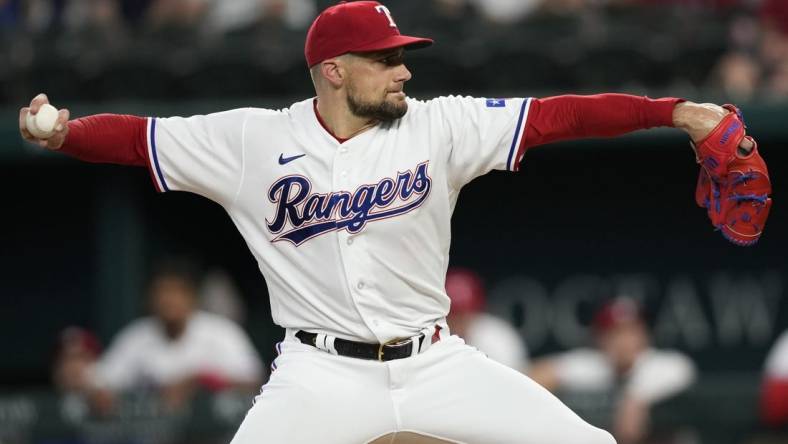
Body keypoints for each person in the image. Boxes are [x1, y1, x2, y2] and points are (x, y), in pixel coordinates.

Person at [18, 1, 756, 442]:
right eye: (386, 59)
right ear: (335, 69)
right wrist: (64, 133)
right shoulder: (252, 141)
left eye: (404, 56)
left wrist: (676, 114)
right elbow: (140, 137)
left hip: (436, 361)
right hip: (317, 373)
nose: (405, 70)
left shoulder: (439, 126)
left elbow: (562, 116)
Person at [88, 261, 264, 411]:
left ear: (193, 297)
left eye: (177, 291)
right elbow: (101, 381)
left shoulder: (221, 332)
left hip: (216, 433)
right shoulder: (136, 337)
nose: (168, 299)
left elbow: (254, 381)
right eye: (162, 292)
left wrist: (200, 380)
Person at [528, 298, 696, 444]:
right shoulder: (596, 364)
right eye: (615, 333)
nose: (623, 341)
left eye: (630, 331)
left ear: (643, 334)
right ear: (600, 338)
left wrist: (636, 398)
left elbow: (683, 369)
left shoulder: (658, 363)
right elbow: (540, 373)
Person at [445, 267, 529, 371]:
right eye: (451, 315)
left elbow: (515, 382)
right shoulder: (430, 335)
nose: (455, 321)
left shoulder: (497, 339)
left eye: (461, 315)